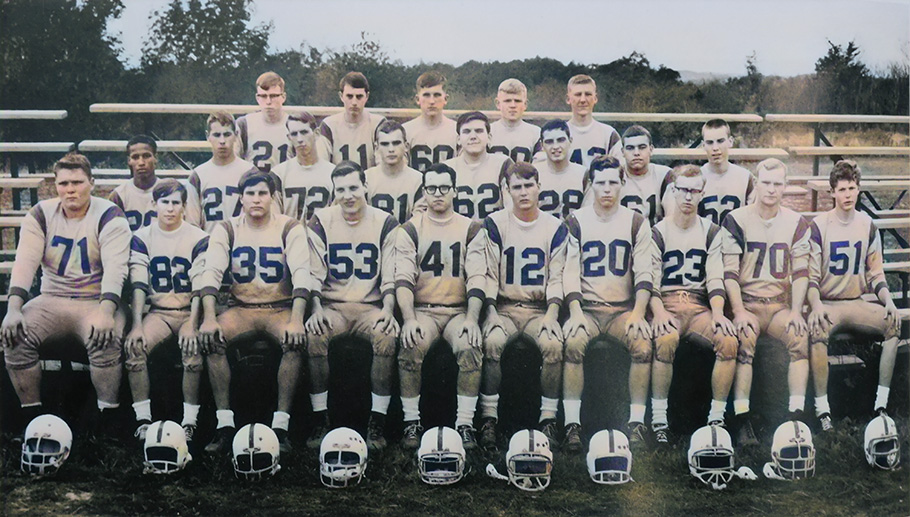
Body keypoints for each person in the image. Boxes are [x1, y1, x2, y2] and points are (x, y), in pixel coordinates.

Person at [1, 153, 131, 434]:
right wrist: (13, 309)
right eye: (63, 183)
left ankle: (107, 423)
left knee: (104, 337)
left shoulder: (109, 214)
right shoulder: (41, 213)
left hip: (95, 299)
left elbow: (115, 269)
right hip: (52, 298)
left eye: (77, 182)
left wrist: (107, 311)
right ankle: (31, 419)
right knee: (15, 336)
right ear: (55, 185)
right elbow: (25, 263)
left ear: (92, 183)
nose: (70, 189)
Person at [197, 169, 311, 454]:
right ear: (240, 197)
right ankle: (224, 424)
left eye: (262, 193)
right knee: (212, 339)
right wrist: (209, 318)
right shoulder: (228, 227)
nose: (256, 199)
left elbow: (302, 274)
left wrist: (297, 319)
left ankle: (281, 426)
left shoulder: (289, 226)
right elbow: (210, 272)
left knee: (295, 341)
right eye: (250, 194)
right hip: (242, 308)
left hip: (279, 308)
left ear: (273, 197)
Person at [305, 161, 400, 450]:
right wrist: (316, 308)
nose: (348, 195)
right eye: (341, 189)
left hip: (370, 306)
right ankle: (320, 418)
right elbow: (312, 272)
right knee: (314, 335)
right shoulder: (322, 219)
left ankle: (377, 421)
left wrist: (387, 309)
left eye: (354, 188)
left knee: (386, 336)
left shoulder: (385, 221)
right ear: (334, 191)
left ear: (366, 187)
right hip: (333, 306)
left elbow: (391, 273)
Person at [562, 156, 654, 451]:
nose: (606, 189)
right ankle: (571, 424)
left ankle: (636, 422)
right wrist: (575, 311)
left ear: (623, 184)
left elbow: (644, 273)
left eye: (613, 182)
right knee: (573, 341)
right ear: (590, 184)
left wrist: (639, 313)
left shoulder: (636, 221)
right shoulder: (576, 220)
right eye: (600, 182)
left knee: (642, 343)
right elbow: (570, 272)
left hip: (620, 310)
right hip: (587, 308)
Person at [395, 163, 487, 448]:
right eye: (431, 188)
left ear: (455, 191)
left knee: (470, 345)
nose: (437, 194)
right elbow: (403, 280)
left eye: (444, 188)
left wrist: (472, 319)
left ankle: (465, 424)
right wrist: (409, 318)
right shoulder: (410, 228)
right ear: (423, 191)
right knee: (411, 343)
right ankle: (411, 422)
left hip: (458, 310)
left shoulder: (470, 227)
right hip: (424, 309)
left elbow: (477, 278)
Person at [478, 162, 568, 450]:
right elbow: (489, 272)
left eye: (529, 185)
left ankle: (548, 419)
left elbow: (557, 276)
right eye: (517, 186)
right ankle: (489, 418)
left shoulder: (555, 226)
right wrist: (490, 311)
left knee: (553, 345)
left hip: (537, 309)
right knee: (491, 341)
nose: (524, 192)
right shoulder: (494, 222)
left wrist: (553, 314)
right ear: (507, 190)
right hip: (503, 307)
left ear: (539, 187)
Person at [721, 158, 810, 445]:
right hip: (748, 302)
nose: (771, 189)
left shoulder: (795, 222)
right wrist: (737, 311)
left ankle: (795, 416)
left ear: (785, 187)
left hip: (779, 305)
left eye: (777, 184)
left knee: (799, 335)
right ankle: (742, 418)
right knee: (744, 341)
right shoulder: (737, 218)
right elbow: (730, 273)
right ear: (756, 184)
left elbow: (800, 273)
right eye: (766, 182)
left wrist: (796, 310)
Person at [807, 160, 901, 427]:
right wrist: (815, 305)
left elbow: (876, 274)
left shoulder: (867, 224)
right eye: (842, 189)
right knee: (817, 330)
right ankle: (822, 409)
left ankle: (880, 404)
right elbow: (811, 278)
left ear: (858, 190)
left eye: (852, 188)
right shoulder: (820, 225)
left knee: (894, 326)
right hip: (828, 303)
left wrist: (889, 301)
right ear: (832, 192)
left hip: (856, 301)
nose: (848, 194)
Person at [648, 165, 737, 444]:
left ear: (702, 194)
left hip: (699, 306)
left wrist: (719, 313)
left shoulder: (711, 230)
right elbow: (648, 280)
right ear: (672, 192)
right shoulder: (657, 231)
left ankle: (716, 417)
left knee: (728, 340)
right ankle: (659, 419)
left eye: (694, 191)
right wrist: (659, 311)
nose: (688, 196)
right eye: (682, 190)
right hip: (667, 303)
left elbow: (714, 277)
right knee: (665, 338)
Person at [124, 179, 209, 443]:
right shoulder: (141, 237)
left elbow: (200, 285)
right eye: (165, 202)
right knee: (135, 347)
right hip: (159, 311)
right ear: (154, 204)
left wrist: (193, 324)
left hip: (189, 310)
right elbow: (138, 283)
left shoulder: (198, 237)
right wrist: (137, 323)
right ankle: (142, 420)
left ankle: (189, 422)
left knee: (192, 349)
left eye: (176, 203)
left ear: (184, 206)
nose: (170, 208)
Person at [186, 111, 281, 232]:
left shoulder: (250, 172)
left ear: (236, 135)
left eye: (227, 134)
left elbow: (263, 215)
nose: (222, 141)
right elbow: (192, 224)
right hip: (209, 244)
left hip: (244, 244)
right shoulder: (198, 176)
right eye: (216, 135)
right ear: (207, 136)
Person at [665, 119, 756, 225]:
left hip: (735, 239)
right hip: (703, 240)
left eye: (720, 141)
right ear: (703, 145)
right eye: (710, 142)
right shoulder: (695, 179)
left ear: (730, 141)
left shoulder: (745, 177)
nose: (715, 148)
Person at [443, 111, 513, 221]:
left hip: (495, 234)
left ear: (489, 137)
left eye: (479, 131)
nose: (473, 136)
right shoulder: (446, 168)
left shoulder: (503, 164)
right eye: (467, 132)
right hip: (459, 235)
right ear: (458, 139)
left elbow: (512, 209)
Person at [274, 111, 335, 222]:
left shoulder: (332, 172)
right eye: (294, 134)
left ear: (316, 133)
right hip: (289, 236)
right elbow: (274, 218)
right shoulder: (279, 174)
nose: (300, 139)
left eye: (304, 132)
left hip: (321, 237)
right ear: (289, 138)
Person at [319, 72, 386, 170]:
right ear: (341, 96)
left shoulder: (378, 124)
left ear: (366, 96)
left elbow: (384, 165)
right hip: (338, 183)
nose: (354, 102)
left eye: (359, 97)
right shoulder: (329, 126)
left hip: (371, 183)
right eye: (349, 96)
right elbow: (322, 163)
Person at [365, 120, 424, 224]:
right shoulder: (366, 179)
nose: (391, 149)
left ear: (406, 146)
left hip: (407, 238)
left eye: (396, 143)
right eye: (385, 144)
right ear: (376, 147)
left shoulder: (419, 180)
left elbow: (419, 222)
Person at [235, 71, 294, 172]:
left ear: (283, 97)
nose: (268, 102)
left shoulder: (295, 125)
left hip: (284, 184)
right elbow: (234, 161)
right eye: (263, 96)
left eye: (273, 96)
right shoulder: (244, 124)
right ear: (257, 98)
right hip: (252, 185)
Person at [402, 71, 457, 172]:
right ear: (417, 99)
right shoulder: (406, 131)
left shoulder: (457, 131)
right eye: (426, 95)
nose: (432, 101)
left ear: (446, 99)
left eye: (437, 95)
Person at [564, 75, 622, 168]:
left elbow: (620, 169)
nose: (583, 100)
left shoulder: (609, 134)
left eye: (588, 94)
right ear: (568, 99)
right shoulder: (559, 133)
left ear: (595, 98)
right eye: (578, 94)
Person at [619, 125, 672, 227]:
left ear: (651, 149)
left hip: (655, 237)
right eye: (630, 148)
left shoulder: (664, 175)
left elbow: (672, 218)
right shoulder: (615, 175)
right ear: (622, 152)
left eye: (642, 147)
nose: (636, 153)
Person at [534, 120, 586, 219]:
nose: (556, 147)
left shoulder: (583, 174)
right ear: (542, 145)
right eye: (549, 142)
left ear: (570, 141)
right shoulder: (534, 174)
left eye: (561, 140)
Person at [110, 135, 161, 232]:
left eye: (146, 156)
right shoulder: (119, 195)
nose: (141, 162)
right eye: (135, 157)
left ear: (155, 158)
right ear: (129, 161)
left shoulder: (166, 191)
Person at [489, 78, 539, 163]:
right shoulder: (488, 131)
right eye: (507, 101)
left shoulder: (536, 134)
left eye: (517, 101)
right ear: (498, 104)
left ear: (525, 104)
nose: (513, 105)